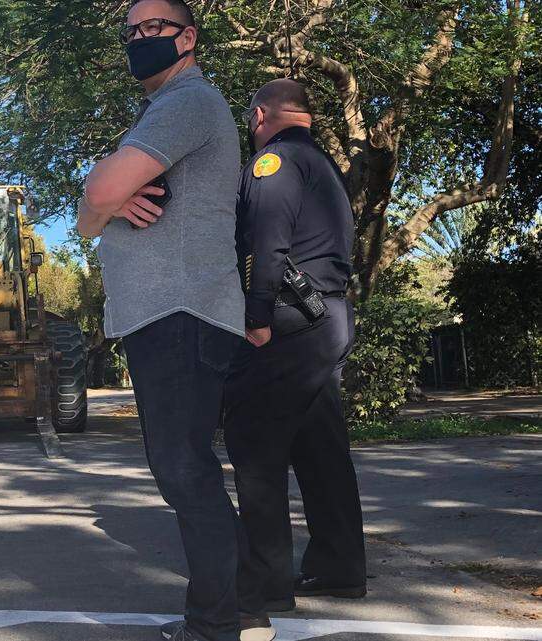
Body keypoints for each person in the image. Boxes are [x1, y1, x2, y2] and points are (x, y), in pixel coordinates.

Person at [76, 2, 272, 640]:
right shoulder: (161, 110)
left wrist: (102, 198)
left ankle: (217, 623)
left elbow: (98, 197)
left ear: (188, 37)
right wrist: (101, 200)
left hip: (181, 310)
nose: (139, 38)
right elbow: (94, 210)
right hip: (170, 313)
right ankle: (244, 602)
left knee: (183, 469)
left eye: (153, 27)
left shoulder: (187, 101)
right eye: (130, 31)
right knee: (186, 466)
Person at [225, 78, 366, 615]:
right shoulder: (323, 165)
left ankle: (266, 584)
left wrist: (256, 318)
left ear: (260, 114)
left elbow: (266, 242)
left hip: (285, 321)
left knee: (254, 445)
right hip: (324, 319)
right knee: (319, 446)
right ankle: (339, 567)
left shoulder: (275, 164)